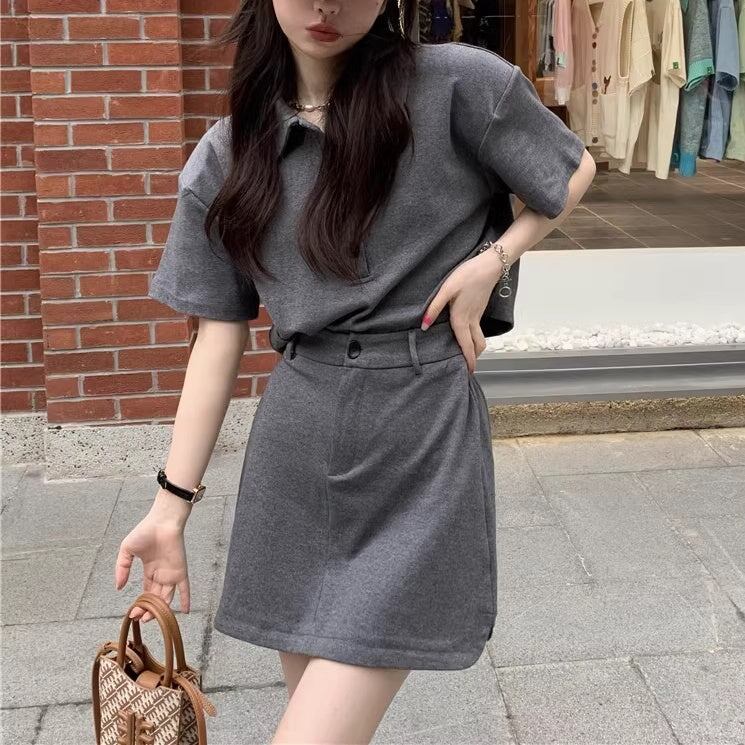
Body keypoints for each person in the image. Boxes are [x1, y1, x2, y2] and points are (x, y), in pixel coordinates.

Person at [114, 0, 596, 742]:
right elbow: (217, 336)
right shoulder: (229, 153)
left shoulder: (458, 85)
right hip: (297, 444)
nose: (327, 5)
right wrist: (170, 509)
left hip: (419, 434)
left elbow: (569, 170)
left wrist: (492, 259)